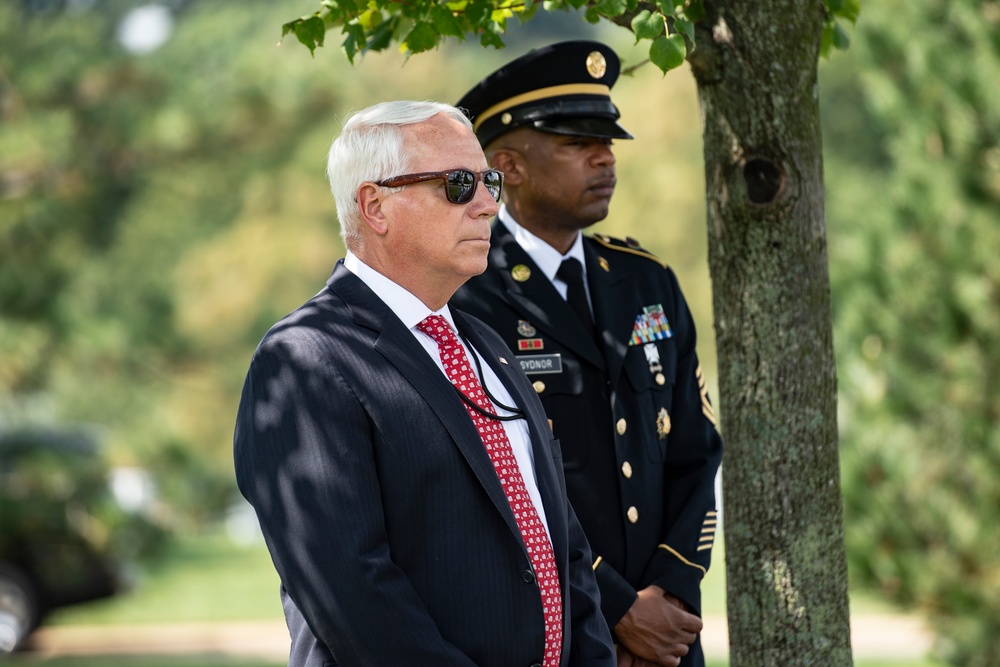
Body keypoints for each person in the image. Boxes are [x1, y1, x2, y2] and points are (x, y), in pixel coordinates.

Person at [233, 100, 616, 667]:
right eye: (459, 184)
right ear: (375, 205)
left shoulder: (486, 345)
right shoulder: (306, 359)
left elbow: (561, 541)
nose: (488, 205)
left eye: (488, 181)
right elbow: (354, 594)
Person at [451, 42, 724, 667]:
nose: (605, 159)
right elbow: (495, 485)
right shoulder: (466, 294)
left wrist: (669, 597)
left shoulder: (646, 281)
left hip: (667, 641)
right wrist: (617, 610)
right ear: (508, 166)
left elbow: (695, 452)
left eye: (607, 142)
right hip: (554, 632)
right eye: (577, 143)